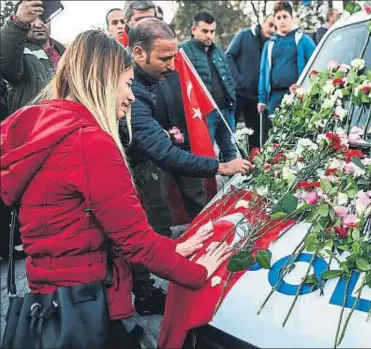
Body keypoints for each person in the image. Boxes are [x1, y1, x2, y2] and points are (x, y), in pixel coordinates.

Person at [0, 29, 233, 348]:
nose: (132, 95)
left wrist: (174, 248)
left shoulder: (45, 131)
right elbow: (135, 242)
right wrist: (197, 272)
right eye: (127, 83)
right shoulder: (90, 143)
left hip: (55, 299)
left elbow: (112, 229)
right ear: (104, 82)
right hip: (95, 304)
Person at [124, 18, 252, 315]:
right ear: (139, 53)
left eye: (174, 57)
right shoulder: (132, 94)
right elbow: (164, 154)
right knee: (135, 233)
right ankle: (141, 296)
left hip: (139, 162)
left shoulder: (148, 80)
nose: (172, 67)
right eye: (165, 59)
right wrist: (221, 167)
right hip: (125, 173)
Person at [181, 11, 238, 163]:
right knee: (205, 155)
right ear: (194, 30)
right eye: (205, 31)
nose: (209, 35)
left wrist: (232, 100)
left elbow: (228, 78)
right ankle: (210, 187)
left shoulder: (218, 51)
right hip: (204, 112)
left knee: (231, 152)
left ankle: (233, 187)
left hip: (225, 109)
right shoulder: (184, 51)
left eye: (212, 31)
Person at [0, 0, 65, 114]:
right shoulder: (16, 53)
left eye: (43, 18)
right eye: (31, 18)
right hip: (34, 127)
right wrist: (17, 22)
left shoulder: (67, 53)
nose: (38, 24)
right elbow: (6, 63)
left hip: (68, 123)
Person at [258, 1, 315, 121]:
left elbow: (315, 65)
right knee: (277, 135)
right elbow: (263, 72)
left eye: (285, 17)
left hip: (297, 96)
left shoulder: (303, 39)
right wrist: (262, 99)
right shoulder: (269, 45)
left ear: (292, 17)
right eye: (278, 17)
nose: (282, 21)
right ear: (274, 20)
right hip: (274, 98)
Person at [226, 14, 276, 150]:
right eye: (270, 25)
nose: (272, 29)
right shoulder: (244, 35)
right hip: (237, 94)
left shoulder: (272, 44)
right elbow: (228, 55)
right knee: (229, 135)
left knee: (255, 137)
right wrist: (238, 80)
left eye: (275, 27)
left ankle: (252, 166)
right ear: (262, 22)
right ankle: (227, 162)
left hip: (255, 98)